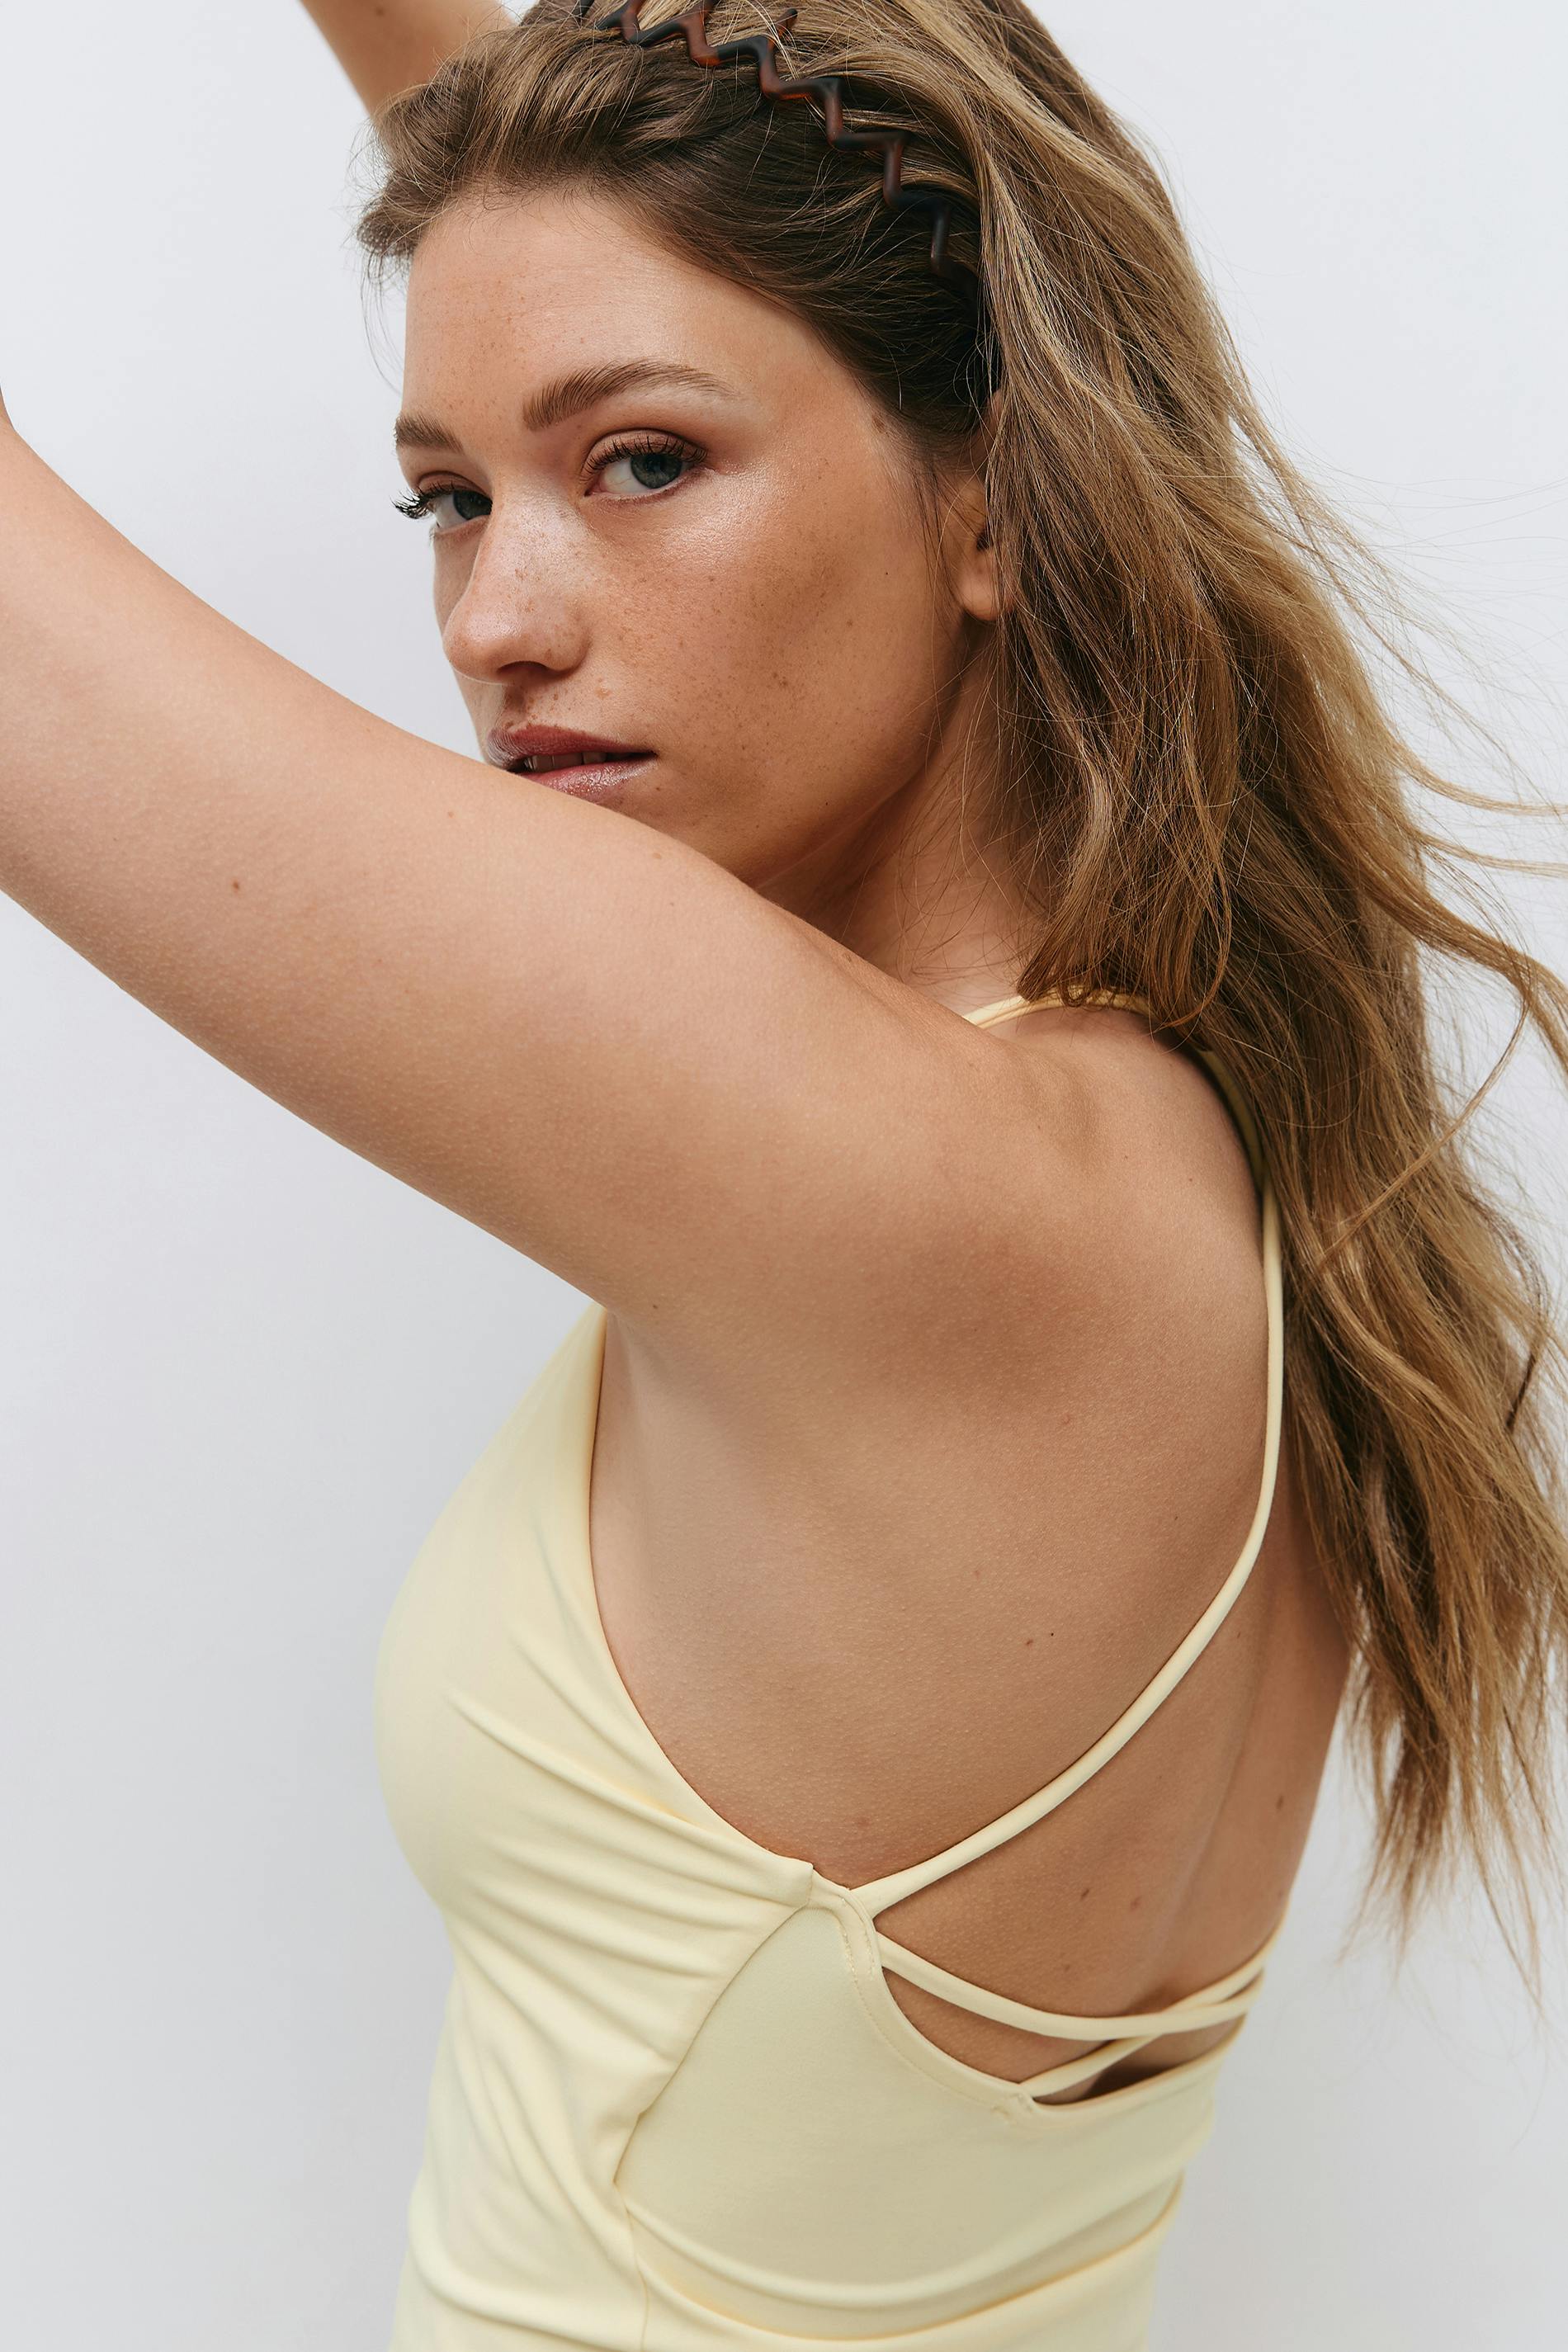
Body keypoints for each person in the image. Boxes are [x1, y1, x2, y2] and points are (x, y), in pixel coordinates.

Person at [2, 0, 1564, 2343]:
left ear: (995, 499)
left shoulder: (921, 1199)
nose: (495, 622)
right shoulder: (1136, 1146)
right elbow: (659, 212)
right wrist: (606, 334)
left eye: (638, 467)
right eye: (448, 496)